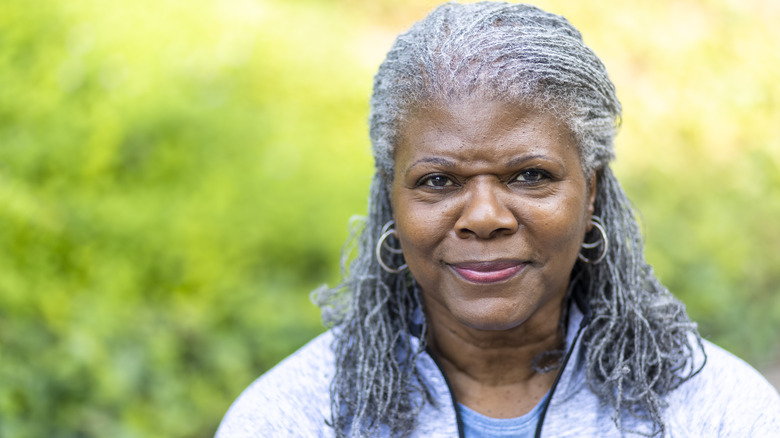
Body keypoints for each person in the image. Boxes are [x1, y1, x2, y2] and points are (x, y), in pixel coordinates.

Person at [216, 2, 780, 437]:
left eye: (530, 175)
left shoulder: (717, 413)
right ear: (391, 199)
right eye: (438, 181)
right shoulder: (292, 418)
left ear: (591, 194)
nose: (484, 218)